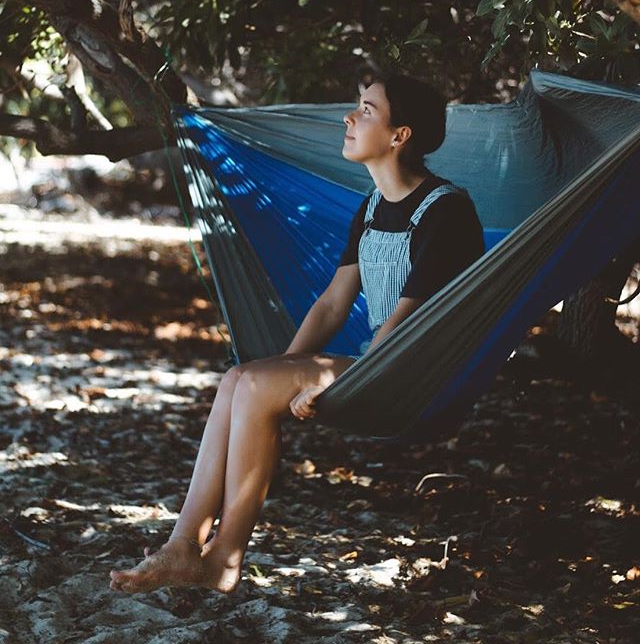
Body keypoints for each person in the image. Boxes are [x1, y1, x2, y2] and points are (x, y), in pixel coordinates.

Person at [109, 73, 484, 595]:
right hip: (383, 359)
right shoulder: (372, 207)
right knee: (237, 380)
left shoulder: (446, 210)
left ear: (400, 135)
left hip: (417, 374)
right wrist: (278, 374)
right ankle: (181, 544)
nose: (350, 119)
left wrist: (323, 385)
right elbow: (333, 303)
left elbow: (408, 321)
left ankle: (223, 560)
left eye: (367, 110)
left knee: (255, 385)